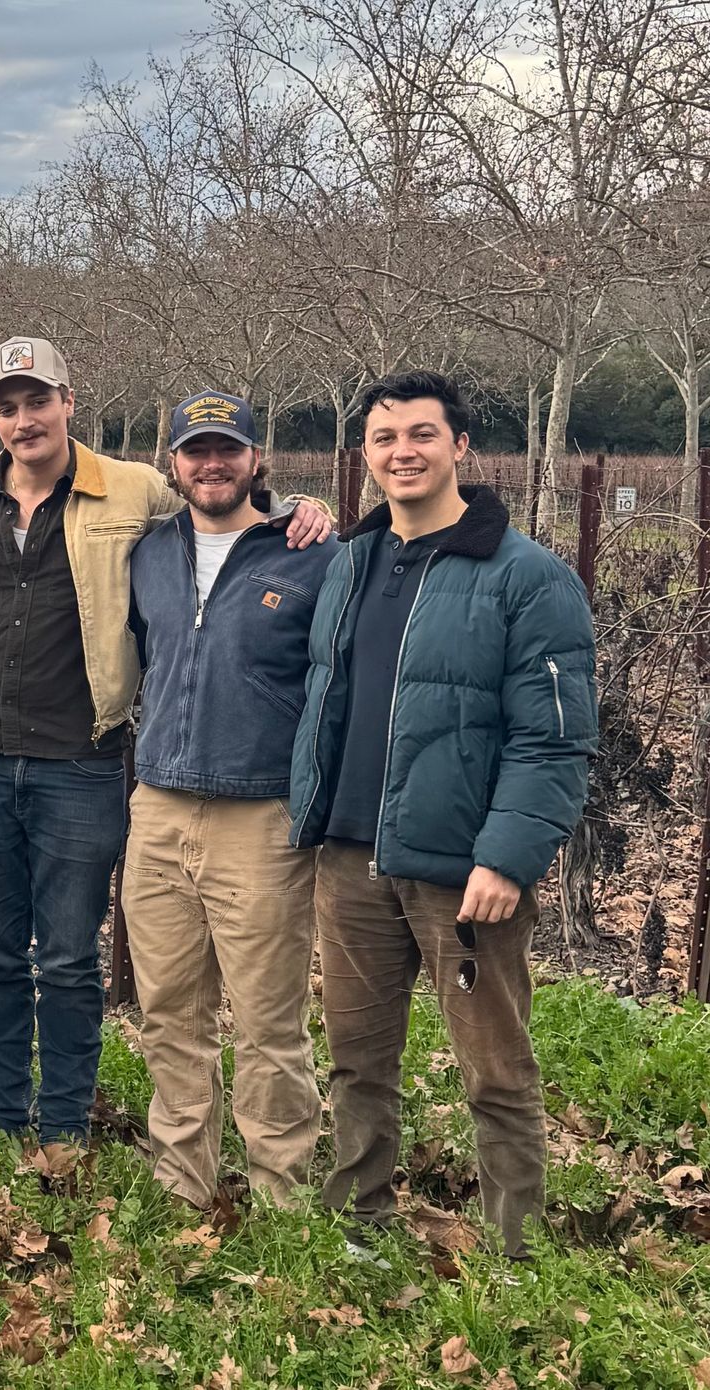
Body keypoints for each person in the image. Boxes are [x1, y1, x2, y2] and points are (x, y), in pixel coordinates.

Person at [0, 337, 329, 1163]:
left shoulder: (134, 491)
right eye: (6, 407)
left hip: (81, 761)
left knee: (73, 959)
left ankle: (65, 1124)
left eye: (37, 400)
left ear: (68, 400)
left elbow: (232, 511)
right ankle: (2, 1116)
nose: (23, 419)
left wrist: (306, 503)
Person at [290, 371, 597, 1258]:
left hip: (462, 873)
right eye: (385, 440)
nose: (403, 453)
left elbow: (555, 738)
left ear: (460, 446)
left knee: (494, 1068)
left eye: (422, 435)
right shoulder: (350, 564)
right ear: (366, 456)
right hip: (350, 857)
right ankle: (360, 1224)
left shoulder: (528, 576)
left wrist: (506, 857)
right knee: (357, 1058)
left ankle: (514, 1250)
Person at [124, 390, 331, 1208]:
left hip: (263, 814)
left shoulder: (311, 553)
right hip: (160, 808)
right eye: (195, 451)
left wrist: (311, 512)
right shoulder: (145, 551)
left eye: (228, 449)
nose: (212, 465)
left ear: (256, 459)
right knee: (171, 1011)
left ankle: (282, 1189)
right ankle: (183, 1182)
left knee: (269, 1021)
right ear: (171, 463)